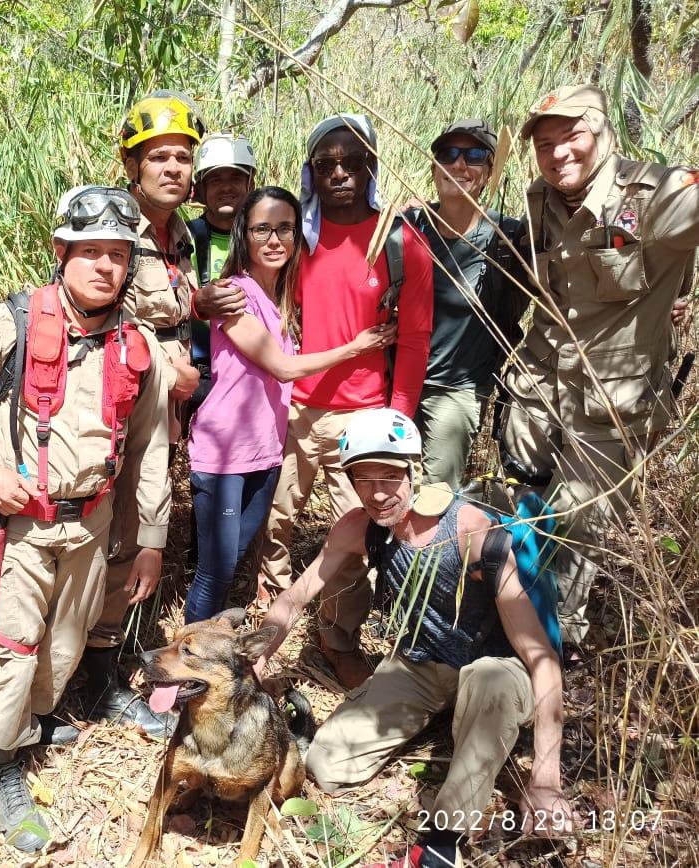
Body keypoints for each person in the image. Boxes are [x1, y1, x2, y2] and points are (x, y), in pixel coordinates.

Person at [0, 186, 170, 852]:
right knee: (10, 644)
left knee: (64, 645)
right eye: (89, 252)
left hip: (91, 525)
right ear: (60, 253)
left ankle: (34, 722)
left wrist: (149, 539)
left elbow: (153, 447)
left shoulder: (139, 345)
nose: (104, 266)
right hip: (20, 524)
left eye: (117, 255)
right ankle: (3, 763)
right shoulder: (12, 322)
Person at [255, 410, 571, 868]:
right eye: (363, 479)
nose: (378, 493)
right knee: (326, 766)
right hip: (423, 663)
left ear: (414, 470)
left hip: (497, 664)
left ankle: (441, 838)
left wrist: (546, 774)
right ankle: (454, 718)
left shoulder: (473, 533)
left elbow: (541, 659)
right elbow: (295, 598)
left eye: (390, 475)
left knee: (488, 682)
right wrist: (258, 650)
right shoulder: (359, 527)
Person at [196, 114, 434, 687]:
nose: (340, 173)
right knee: (273, 529)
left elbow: (416, 335)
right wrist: (203, 300)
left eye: (353, 161)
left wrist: (397, 415)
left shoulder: (399, 241)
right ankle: (266, 637)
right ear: (311, 172)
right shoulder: (299, 236)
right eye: (325, 163)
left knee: (351, 535)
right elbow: (254, 290)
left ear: (373, 165)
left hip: (363, 414)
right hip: (289, 411)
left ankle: (336, 638)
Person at [497, 84, 699, 655]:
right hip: (541, 386)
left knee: (582, 527)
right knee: (523, 508)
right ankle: (515, 616)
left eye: (572, 137)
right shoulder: (541, 196)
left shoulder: (658, 194)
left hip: (611, 402)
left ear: (604, 132)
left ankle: (555, 648)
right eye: (545, 144)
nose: (559, 153)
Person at [185, 186, 393, 622]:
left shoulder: (279, 294)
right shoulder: (235, 294)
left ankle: (219, 647)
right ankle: (186, 661)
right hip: (225, 454)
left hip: (264, 450)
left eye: (285, 228)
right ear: (244, 235)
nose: (275, 239)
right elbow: (281, 367)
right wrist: (355, 348)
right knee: (215, 571)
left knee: (237, 555)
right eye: (262, 229)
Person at [81, 91, 203, 738]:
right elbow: (98, 312)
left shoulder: (180, 235)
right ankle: (81, 675)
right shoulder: (114, 225)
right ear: (132, 164)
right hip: (110, 409)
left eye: (182, 157)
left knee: (134, 533)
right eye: (158, 157)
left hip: (160, 414)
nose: (173, 169)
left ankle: (108, 662)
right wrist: (165, 361)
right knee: (104, 535)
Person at [406, 119, 529, 489]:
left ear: (490, 172)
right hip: (397, 382)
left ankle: (432, 549)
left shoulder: (507, 239)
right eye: (449, 154)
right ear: (434, 167)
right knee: (383, 488)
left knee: (434, 494)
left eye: (474, 156)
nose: (459, 164)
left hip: (456, 390)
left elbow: (562, 283)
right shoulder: (410, 226)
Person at [185, 132, 258, 419]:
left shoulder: (270, 237)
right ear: (200, 189)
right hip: (203, 375)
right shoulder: (186, 238)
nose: (226, 187)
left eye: (235, 178)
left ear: (251, 184)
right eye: (216, 180)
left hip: (260, 372)